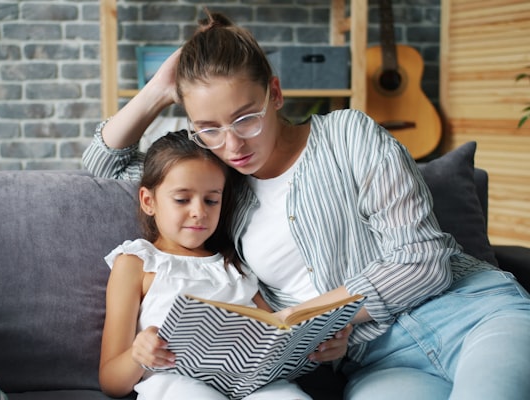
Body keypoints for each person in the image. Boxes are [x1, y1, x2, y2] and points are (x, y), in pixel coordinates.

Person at [86, 11, 530, 400]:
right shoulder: (221, 187)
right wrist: (160, 90)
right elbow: (104, 164)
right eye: (209, 128)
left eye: (246, 118)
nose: (232, 144)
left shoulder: (347, 134)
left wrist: (301, 318)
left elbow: (424, 261)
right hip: (377, 362)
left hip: (470, 313)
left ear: (275, 94)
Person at [99, 130, 314, 399]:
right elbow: (110, 381)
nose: (200, 211)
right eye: (182, 199)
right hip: (176, 383)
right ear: (148, 201)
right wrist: (137, 354)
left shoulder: (234, 267)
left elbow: (276, 335)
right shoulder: (137, 263)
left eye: (211, 200)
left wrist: (314, 343)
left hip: (250, 384)